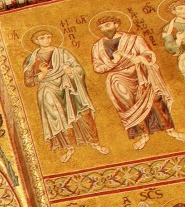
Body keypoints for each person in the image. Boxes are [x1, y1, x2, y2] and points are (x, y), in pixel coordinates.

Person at [91, 15, 185, 150]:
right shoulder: (97, 47)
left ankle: (171, 130)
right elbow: (98, 67)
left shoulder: (134, 39)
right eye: (101, 27)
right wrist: (114, 61)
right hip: (118, 78)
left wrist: (140, 58)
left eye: (107, 25)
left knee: (156, 99)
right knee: (131, 105)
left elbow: (148, 54)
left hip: (140, 72)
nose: (104, 29)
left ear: (116, 24)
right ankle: (144, 135)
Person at [23, 28, 108, 163]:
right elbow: (28, 82)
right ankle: (69, 147)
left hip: (68, 83)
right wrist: (43, 74)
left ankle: (95, 142)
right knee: (58, 116)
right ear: (36, 41)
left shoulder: (62, 53)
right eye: (42, 38)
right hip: (47, 87)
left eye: (48, 36)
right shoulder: (31, 59)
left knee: (83, 111)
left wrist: (71, 71)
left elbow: (78, 69)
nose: (46, 40)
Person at [163, 1, 185, 79]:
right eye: (180, 8)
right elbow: (171, 49)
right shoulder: (169, 28)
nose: (184, 11)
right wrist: (179, 39)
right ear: (173, 11)